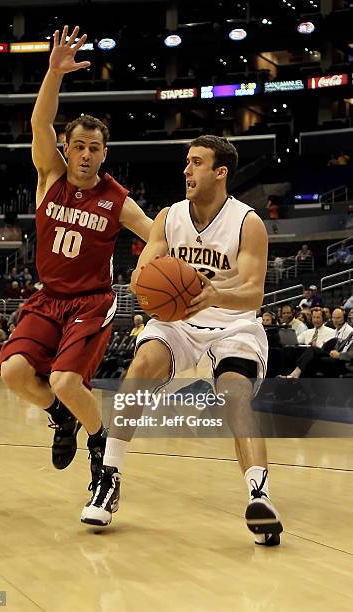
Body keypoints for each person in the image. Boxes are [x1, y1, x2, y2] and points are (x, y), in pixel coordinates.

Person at [82, 135, 283, 546]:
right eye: (186, 163)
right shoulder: (169, 216)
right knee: (141, 367)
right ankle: (109, 477)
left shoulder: (248, 222)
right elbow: (141, 274)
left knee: (234, 393)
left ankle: (259, 495)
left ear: (220, 171)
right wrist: (149, 283)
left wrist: (215, 295)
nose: (186, 171)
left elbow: (253, 293)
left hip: (232, 323)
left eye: (196, 163)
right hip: (178, 322)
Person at [0, 26, 152, 490]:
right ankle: (61, 420)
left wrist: (157, 269)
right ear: (67, 149)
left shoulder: (117, 199)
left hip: (90, 302)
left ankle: (98, 440)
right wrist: (53, 73)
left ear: (105, 154)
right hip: (48, 298)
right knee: (14, 372)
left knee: (66, 381)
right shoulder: (50, 176)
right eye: (79, 146)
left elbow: (156, 237)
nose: (86, 155)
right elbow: (39, 123)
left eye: (95, 148)